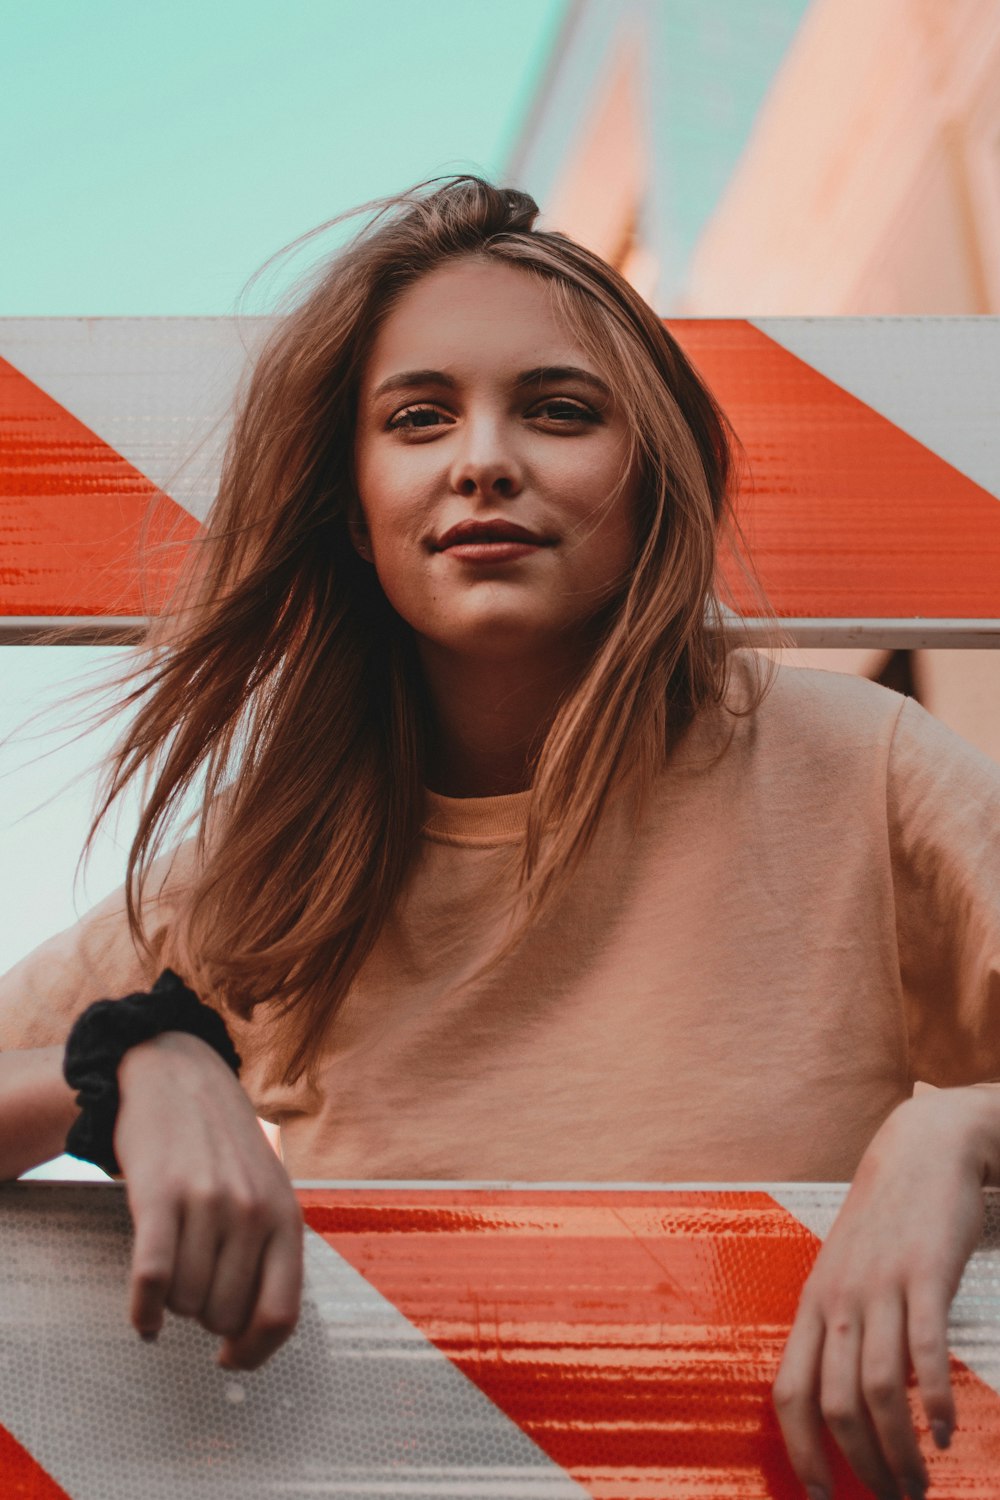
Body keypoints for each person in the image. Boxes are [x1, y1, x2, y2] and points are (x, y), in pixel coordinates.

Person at [0, 176, 998, 1500]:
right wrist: (131, 1069)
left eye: (560, 411)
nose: (483, 458)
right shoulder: (281, 862)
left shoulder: (861, 768)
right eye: (418, 418)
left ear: (655, 480)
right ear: (353, 509)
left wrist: (957, 1136)